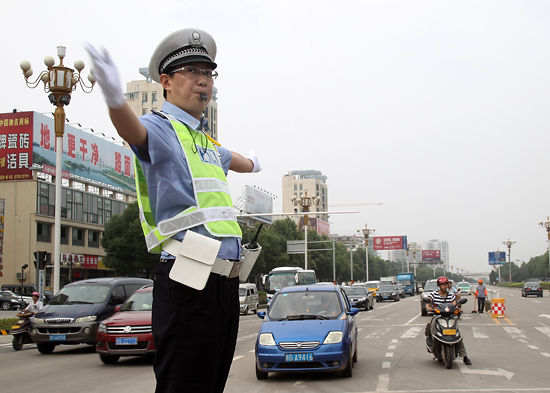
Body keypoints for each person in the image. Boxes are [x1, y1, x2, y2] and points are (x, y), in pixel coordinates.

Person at [86, 28, 261, 393]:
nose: (203, 82)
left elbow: (236, 159)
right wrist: (115, 100)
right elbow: (133, 131)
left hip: (225, 286)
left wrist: (253, 164)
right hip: (188, 280)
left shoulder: (205, 142)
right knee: (184, 385)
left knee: (211, 384)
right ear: (165, 81)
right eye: (192, 72)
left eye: (208, 73)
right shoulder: (159, 127)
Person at [425, 276, 472, 365]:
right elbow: (428, 304)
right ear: (439, 285)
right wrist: (429, 308)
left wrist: (458, 308)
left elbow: (455, 304)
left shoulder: (450, 295)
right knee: (432, 328)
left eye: (446, 284)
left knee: (457, 335)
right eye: (443, 284)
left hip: (449, 317)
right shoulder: (433, 294)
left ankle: (465, 356)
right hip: (438, 317)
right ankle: (431, 345)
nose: (445, 286)